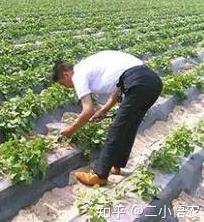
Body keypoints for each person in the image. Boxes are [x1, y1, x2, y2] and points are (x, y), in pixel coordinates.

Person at [53, 50, 162, 186]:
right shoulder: (90, 64)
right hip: (152, 82)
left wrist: (70, 130)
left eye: (63, 84)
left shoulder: (78, 74)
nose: (67, 87)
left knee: (117, 128)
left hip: (138, 83)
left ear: (66, 74)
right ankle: (116, 164)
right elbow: (118, 89)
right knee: (129, 126)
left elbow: (87, 111)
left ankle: (99, 175)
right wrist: (104, 110)